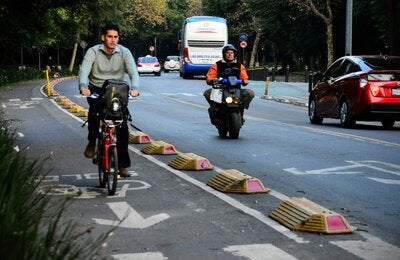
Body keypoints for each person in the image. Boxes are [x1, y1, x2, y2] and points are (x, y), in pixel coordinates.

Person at [79, 23, 139, 178]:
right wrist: (83, 85)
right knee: (94, 113)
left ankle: (123, 166)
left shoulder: (124, 52)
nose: (113, 40)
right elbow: (84, 70)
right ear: (103, 37)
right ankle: (92, 142)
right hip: (96, 89)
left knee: (123, 125)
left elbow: (133, 71)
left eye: (116, 37)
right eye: (110, 37)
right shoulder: (93, 51)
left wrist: (135, 87)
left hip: (117, 89)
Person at [204, 44, 254, 122]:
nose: (230, 54)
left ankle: (241, 110)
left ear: (234, 54)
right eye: (228, 52)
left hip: (236, 90)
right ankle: (215, 110)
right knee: (207, 93)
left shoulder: (239, 66)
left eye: (232, 52)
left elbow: (245, 77)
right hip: (220, 91)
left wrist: (245, 81)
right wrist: (213, 79)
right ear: (224, 54)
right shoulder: (217, 65)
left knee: (250, 93)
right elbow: (209, 77)